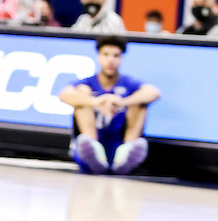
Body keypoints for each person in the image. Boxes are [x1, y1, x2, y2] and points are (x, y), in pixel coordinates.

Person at [59, 37, 160, 175]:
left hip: (118, 144)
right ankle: (92, 147)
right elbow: (64, 95)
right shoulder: (88, 83)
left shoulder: (128, 83)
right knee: (82, 94)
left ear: (122, 59)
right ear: (98, 57)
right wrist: (97, 101)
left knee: (140, 100)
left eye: (116, 56)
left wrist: (122, 102)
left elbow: (153, 92)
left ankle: (127, 150)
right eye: (106, 55)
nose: (110, 60)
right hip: (93, 142)